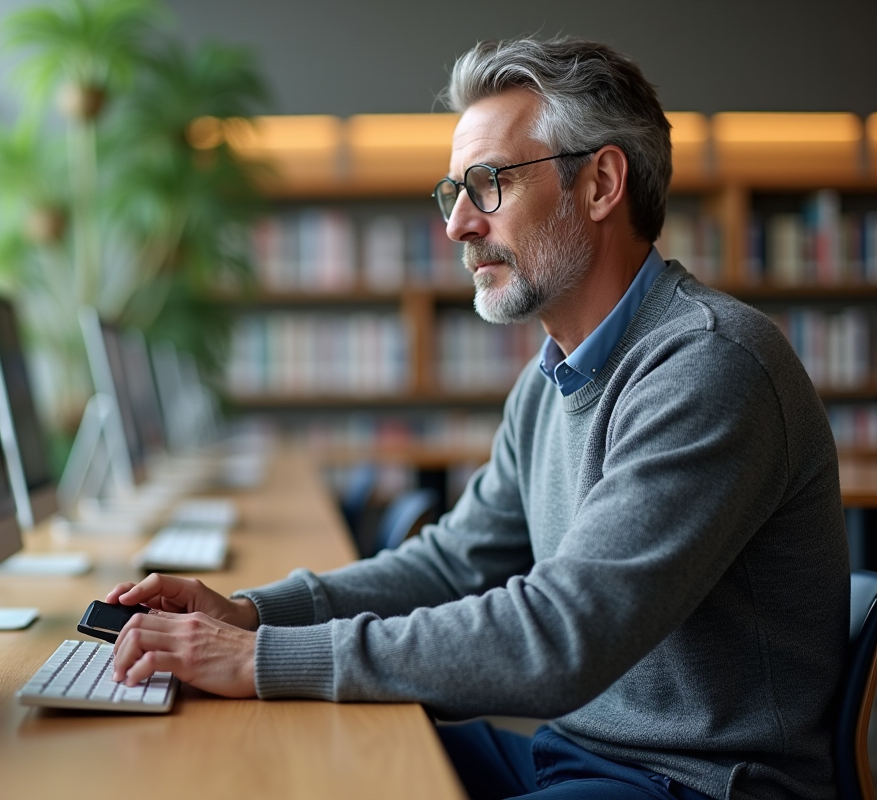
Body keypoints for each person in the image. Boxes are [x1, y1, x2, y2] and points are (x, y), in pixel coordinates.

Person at [105, 37, 848, 800]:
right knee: (308, 768)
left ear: (599, 185)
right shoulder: (550, 376)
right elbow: (452, 565)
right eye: (453, 191)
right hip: (575, 754)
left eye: (487, 183)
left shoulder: (709, 365)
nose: (458, 223)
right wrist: (253, 617)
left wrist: (260, 662)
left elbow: (564, 635)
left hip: (696, 783)